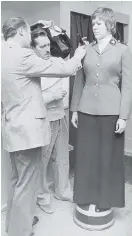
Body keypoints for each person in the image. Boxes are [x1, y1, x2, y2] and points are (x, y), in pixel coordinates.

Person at [1, 17, 86, 236]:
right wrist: (78, 56)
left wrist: (53, 29)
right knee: (26, 184)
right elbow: (63, 68)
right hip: (27, 131)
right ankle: (20, 231)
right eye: (29, 34)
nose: (30, 38)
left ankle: (16, 222)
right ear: (21, 31)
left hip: (12, 129)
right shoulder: (22, 55)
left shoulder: (2, 52)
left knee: (17, 182)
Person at [71, 7, 132, 213]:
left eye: (99, 23)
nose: (94, 26)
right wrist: (74, 109)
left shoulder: (123, 50)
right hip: (86, 110)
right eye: (93, 23)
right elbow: (79, 80)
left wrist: (124, 117)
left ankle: (105, 200)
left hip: (110, 112)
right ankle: (85, 196)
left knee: (107, 158)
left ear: (110, 25)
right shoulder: (85, 49)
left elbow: (128, 86)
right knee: (86, 156)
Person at [30, 28, 73, 214]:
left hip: (61, 115)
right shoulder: (31, 67)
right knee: (42, 161)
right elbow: (30, 98)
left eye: (48, 44)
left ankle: (62, 191)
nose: (47, 48)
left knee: (62, 157)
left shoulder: (57, 62)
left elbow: (65, 80)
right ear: (33, 48)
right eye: (42, 46)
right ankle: (42, 198)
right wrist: (51, 94)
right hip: (43, 119)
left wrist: (53, 92)